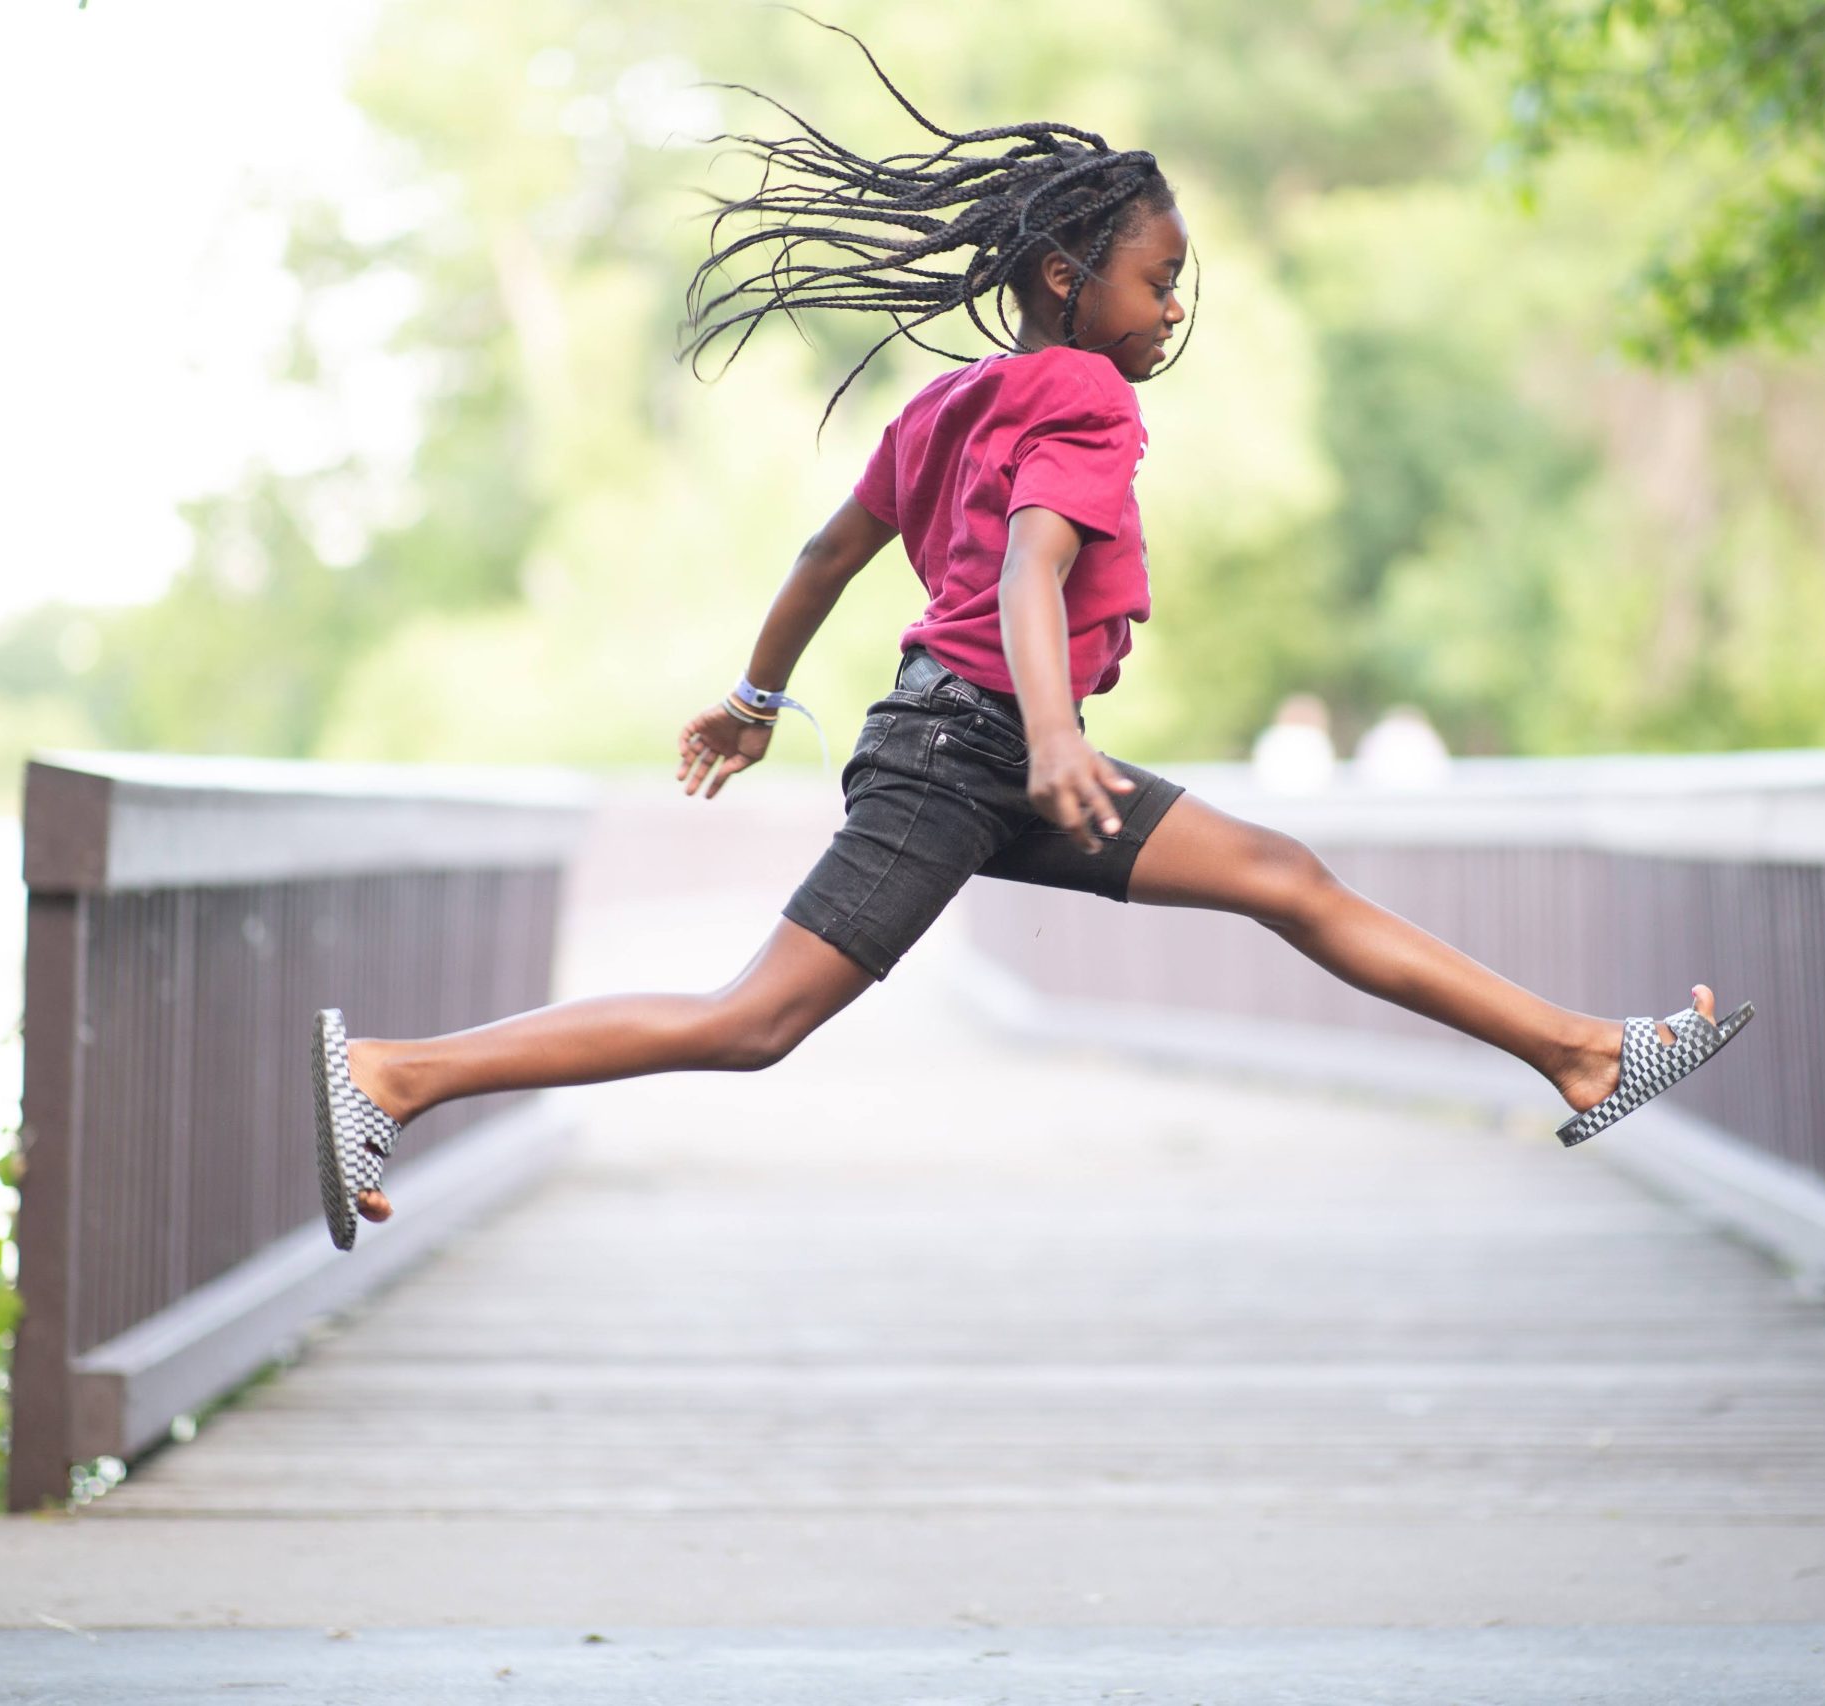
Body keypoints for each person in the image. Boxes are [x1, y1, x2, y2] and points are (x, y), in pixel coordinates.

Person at [310, 22, 1751, 1251]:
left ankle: (1579, 1052)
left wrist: (758, 695)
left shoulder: (949, 405)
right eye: (1157, 278)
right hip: (975, 748)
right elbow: (1029, 562)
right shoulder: (1088, 399)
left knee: (1280, 873)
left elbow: (829, 553)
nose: (1171, 307)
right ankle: (396, 1074)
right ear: (1066, 274)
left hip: (979, 743)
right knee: (752, 1019)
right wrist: (1056, 736)